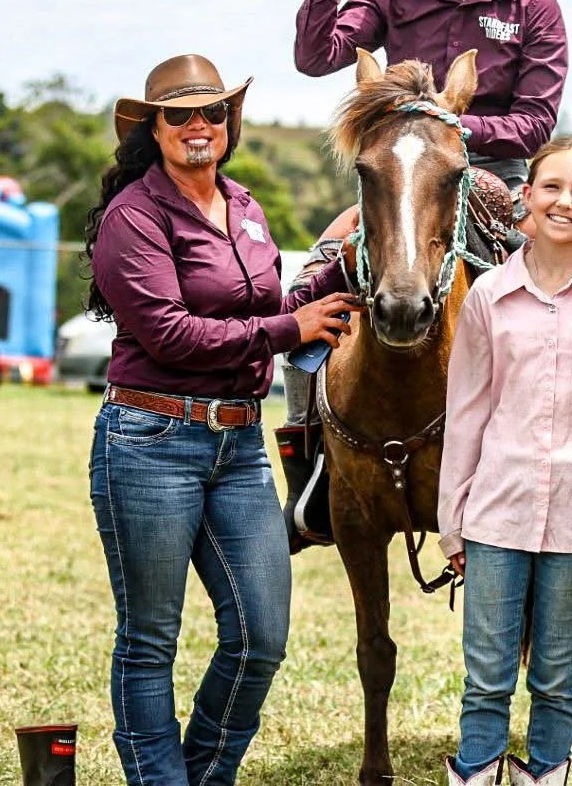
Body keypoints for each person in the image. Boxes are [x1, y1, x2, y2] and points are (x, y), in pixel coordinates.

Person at [85, 53, 364, 786]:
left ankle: (203, 776)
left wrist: (348, 266)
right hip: (150, 440)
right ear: (154, 129)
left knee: (260, 637)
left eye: (213, 112)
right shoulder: (133, 216)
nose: (199, 125)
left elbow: (267, 309)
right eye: (180, 115)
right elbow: (170, 333)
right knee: (150, 639)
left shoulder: (244, 205)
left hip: (237, 443)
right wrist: (290, 330)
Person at [280, 0, 569, 550]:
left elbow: (535, 121)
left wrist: (448, 132)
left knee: (566, 304)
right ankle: (310, 470)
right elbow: (316, 55)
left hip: (489, 171)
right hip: (396, 175)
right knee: (303, 291)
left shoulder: (534, 7)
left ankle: (564, 468)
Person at [438, 137, 572, 786]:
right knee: (486, 677)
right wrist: (453, 518)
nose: (565, 201)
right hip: (494, 516)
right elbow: (467, 415)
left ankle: (545, 775)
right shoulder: (488, 297)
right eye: (552, 187)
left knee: (558, 676)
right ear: (525, 198)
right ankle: (476, 772)